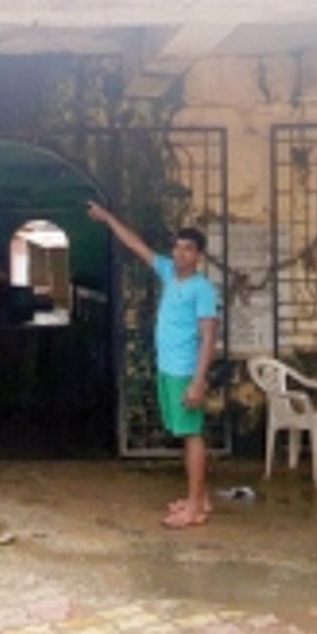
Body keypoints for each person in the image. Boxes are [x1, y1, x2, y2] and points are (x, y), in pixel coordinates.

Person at [87, 201, 219, 528]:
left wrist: (198, 381)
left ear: (198, 255)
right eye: (177, 248)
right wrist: (107, 218)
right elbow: (135, 244)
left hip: (186, 372)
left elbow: (209, 337)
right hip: (169, 369)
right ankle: (200, 498)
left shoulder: (202, 288)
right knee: (187, 433)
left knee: (192, 436)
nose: (180, 254)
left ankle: (194, 510)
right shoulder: (168, 273)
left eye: (188, 249)